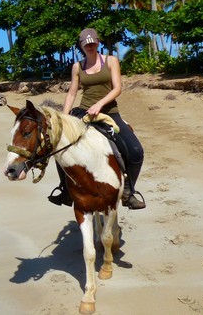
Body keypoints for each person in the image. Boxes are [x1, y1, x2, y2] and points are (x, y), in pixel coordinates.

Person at [48, 28, 146, 210]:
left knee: (136, 151)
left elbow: (117, 88)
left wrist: (99, 105)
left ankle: (129, 192)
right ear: (81, 46)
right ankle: (66, 190)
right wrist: (63, 117)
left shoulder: (111, 61)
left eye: (93, 43)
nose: (90, 46)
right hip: (84, 112)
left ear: (98, 42)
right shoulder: (78, 67)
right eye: (87, 44)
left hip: (109, 111)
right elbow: (71, 93)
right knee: (60, 148)